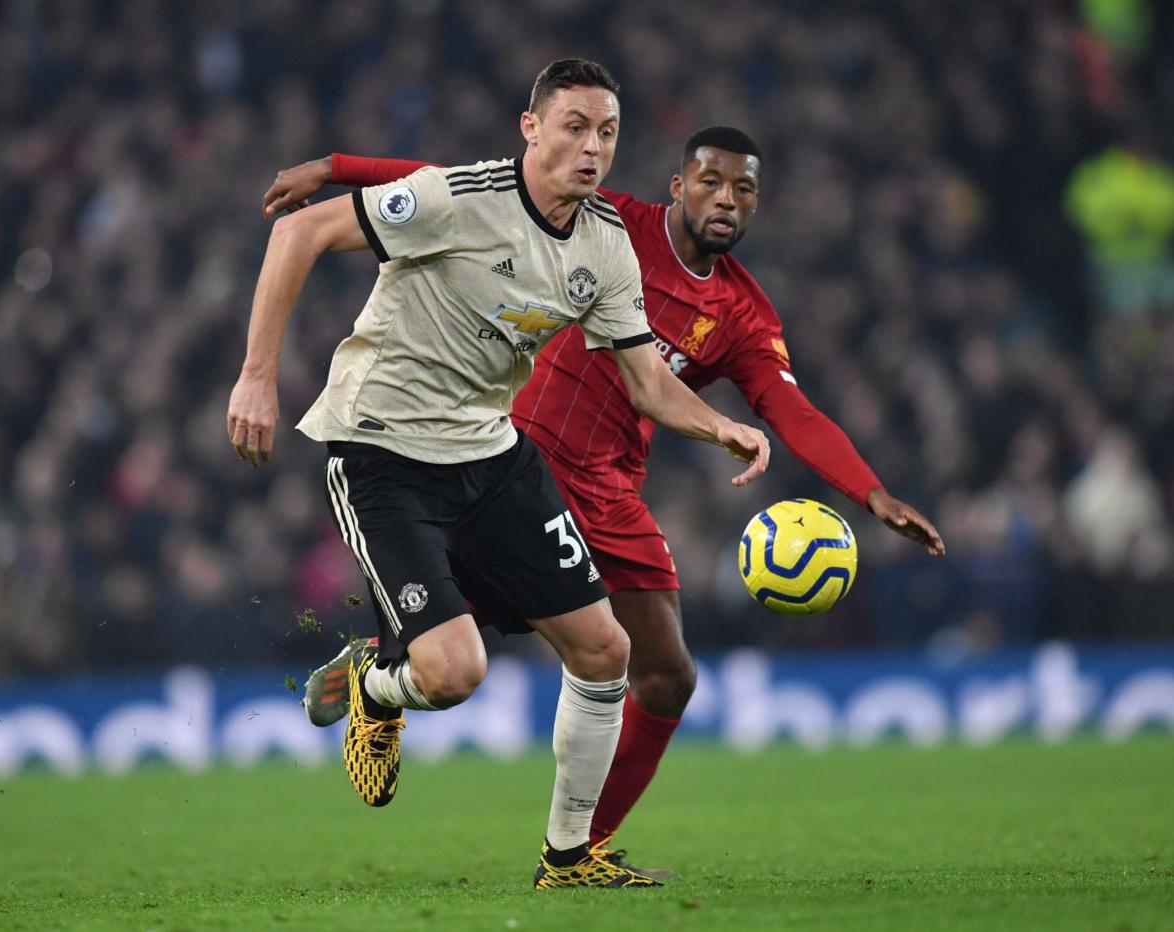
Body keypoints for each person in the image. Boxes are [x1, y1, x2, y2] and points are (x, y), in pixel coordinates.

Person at [262, 124, 947, 876]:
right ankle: (387, 667)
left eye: (743, 189)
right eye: (710, 181)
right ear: (677, 186)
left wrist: (869, 492)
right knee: (470, 647)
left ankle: (576, 849)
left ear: (756, 206)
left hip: (611, 489)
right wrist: (335, 168)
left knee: (663, 671)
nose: (725, 199)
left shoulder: (744, 315)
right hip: (514, 459)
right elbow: (457, 182)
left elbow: (791, 411)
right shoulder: (610, 223)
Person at [228, 59, 771, 889]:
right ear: (532, 129)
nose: (593, 149)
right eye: (576, 127)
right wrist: (258, 376)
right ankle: (377, 686)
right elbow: (297, 232)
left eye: (608, 133)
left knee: (603, 649)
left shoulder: (604, 247)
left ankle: (566, 857)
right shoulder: (456, 197)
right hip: (383, 452)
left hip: (489, 453)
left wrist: (722, 425)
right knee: (454, 674)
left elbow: (645, 380)